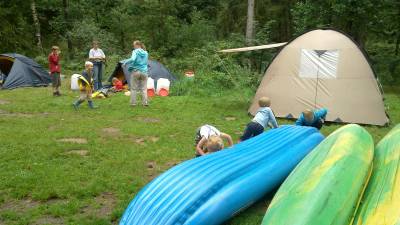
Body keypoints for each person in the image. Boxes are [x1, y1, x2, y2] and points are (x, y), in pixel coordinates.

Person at [122, 40, 149, 106]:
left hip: (136, 71)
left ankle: (133, 103)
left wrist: (125, 62)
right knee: (144, 88)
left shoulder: (135, 51)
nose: (133, 47)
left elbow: (133, 59)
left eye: (134, 45)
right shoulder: (146, 53)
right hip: (144, 72)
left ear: (137, 45)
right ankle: (145, 103)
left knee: (134, 88)